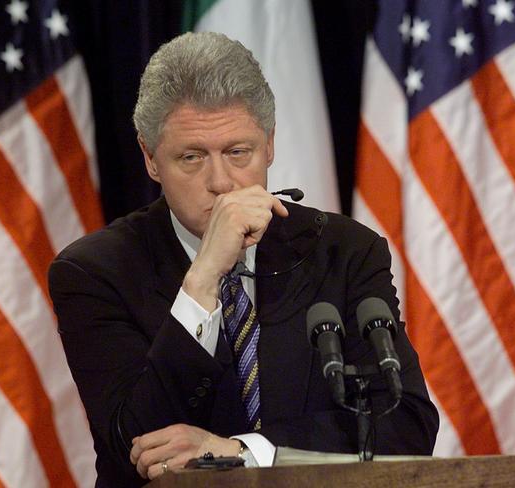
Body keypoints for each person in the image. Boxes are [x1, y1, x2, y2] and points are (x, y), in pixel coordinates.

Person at [48, 31, 439, 487]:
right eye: (191, 157)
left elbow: (405, 424)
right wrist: (203, 279)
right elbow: (133, 445)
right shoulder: (95, 271)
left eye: (238, 152)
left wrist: (242, 453)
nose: (221, 182)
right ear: (150, 158)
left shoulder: (344, 250)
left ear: (269, 144)